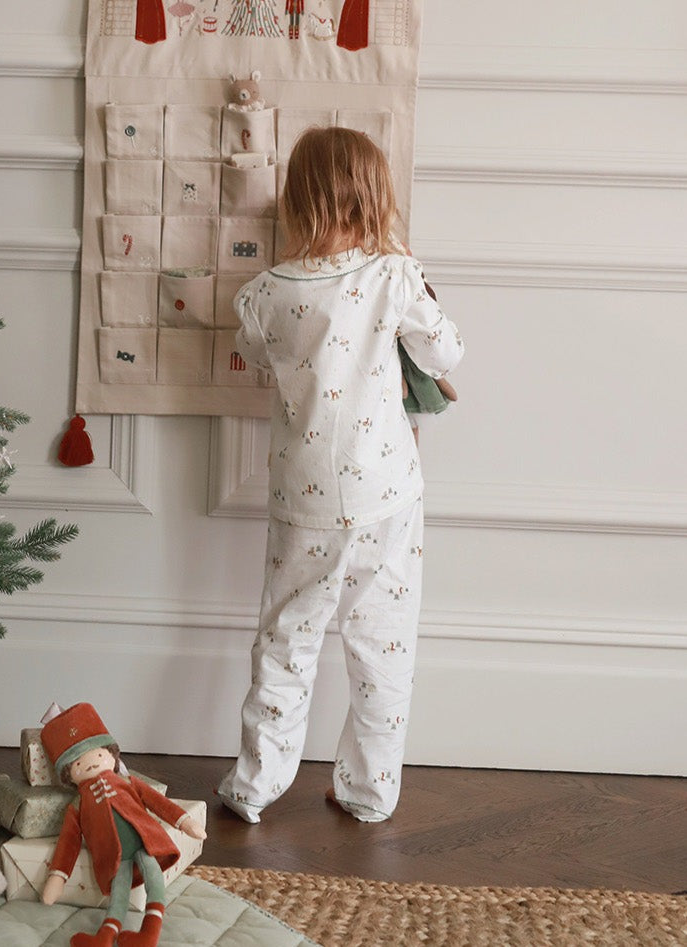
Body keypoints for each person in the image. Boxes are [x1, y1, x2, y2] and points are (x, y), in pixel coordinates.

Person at [217, 126, 464, 824]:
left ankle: (255, 785)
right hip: (385, 494)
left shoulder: (263, 292)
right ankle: (367, 790)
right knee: (382, 640)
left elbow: (256, 355)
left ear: (295, 201)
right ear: (373, 196)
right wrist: (416, 281)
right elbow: (445, 351)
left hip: (302, 500)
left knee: (285, 640)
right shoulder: (391, 276)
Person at [40, 702, 207, 947]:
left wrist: (185, 821)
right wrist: (58, 876)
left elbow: (156, 801)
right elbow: (69, 841)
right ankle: (105, 937)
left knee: (154, 878)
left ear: (110, 755)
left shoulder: (128, 781)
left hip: (144, 841)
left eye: (98, 754)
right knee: (119, 896)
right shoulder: (77, 804)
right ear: (69, 774)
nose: (91, 763)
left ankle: (149, 932)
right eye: (77, 764)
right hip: (114, 857)